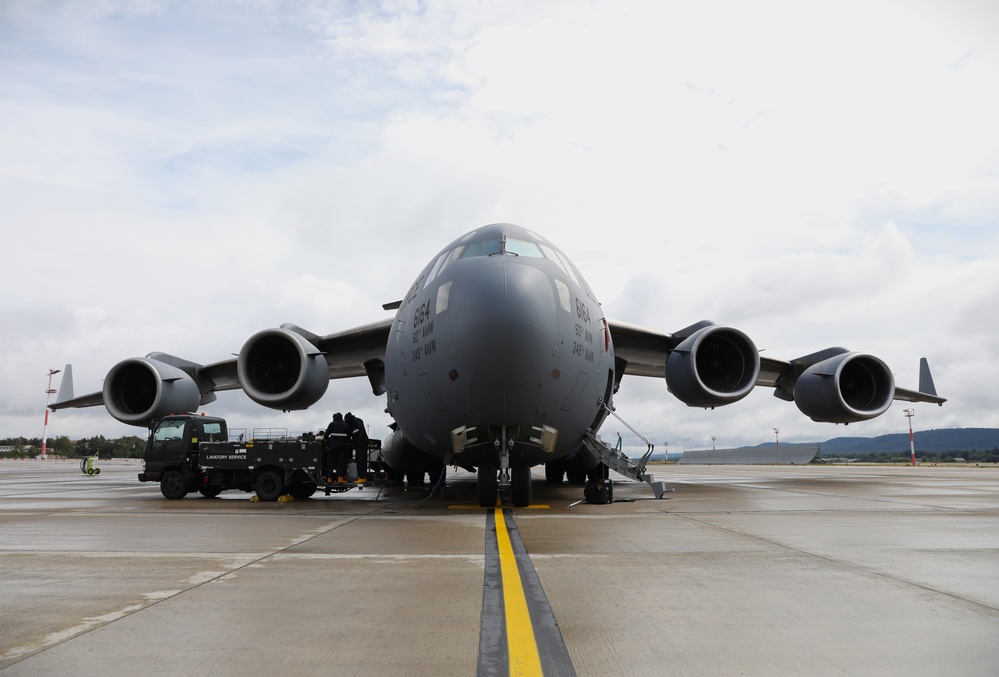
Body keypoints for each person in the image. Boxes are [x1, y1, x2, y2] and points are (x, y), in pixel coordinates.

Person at [324, 412, 351, 483]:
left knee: (330, 461)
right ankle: (340, 478)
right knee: (341, 462)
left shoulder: (331, 424)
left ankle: (329, 478)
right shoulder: (346, 425)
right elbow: (349, 437)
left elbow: (326, 435)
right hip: (342, 446)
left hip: (332, 446)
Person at [344, 412, 369, 483]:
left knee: (361, 460)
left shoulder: (357, 421)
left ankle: (363, 477)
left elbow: (361, 431)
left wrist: (360, 441)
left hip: (362, 443)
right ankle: (361, 476)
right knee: (359, 459)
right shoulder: (351, 423)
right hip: (358, 444)